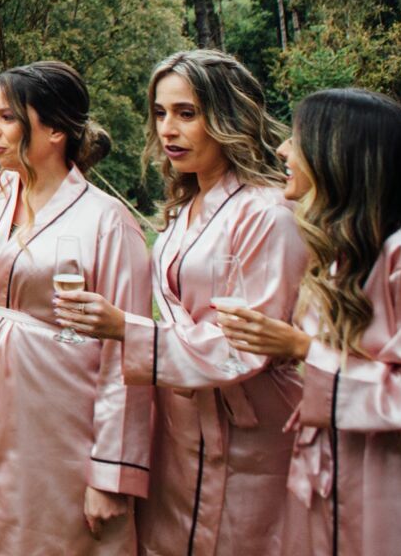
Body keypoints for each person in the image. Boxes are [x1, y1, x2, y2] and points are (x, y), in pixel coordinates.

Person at [57, 50, 306, 556]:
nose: (168, 129)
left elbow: (250, 343)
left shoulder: (267, 214)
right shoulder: (184, 210)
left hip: (252, 431)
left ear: (229, 116)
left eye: (187, 113)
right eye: (160, 112)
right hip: (179, 430)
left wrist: (128, 330)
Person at [218, 88, 401, 556]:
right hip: (329, 482)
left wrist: (302, 349)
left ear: (340, 153)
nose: (282, 150)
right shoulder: (343, 256)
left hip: (396, 496)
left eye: (296, 139)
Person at [0, 60, 153, 555]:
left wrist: (111, 473)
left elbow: (127, 358)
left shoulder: (108, 222)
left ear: (53, 130)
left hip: (62, 417)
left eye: (6, 117)